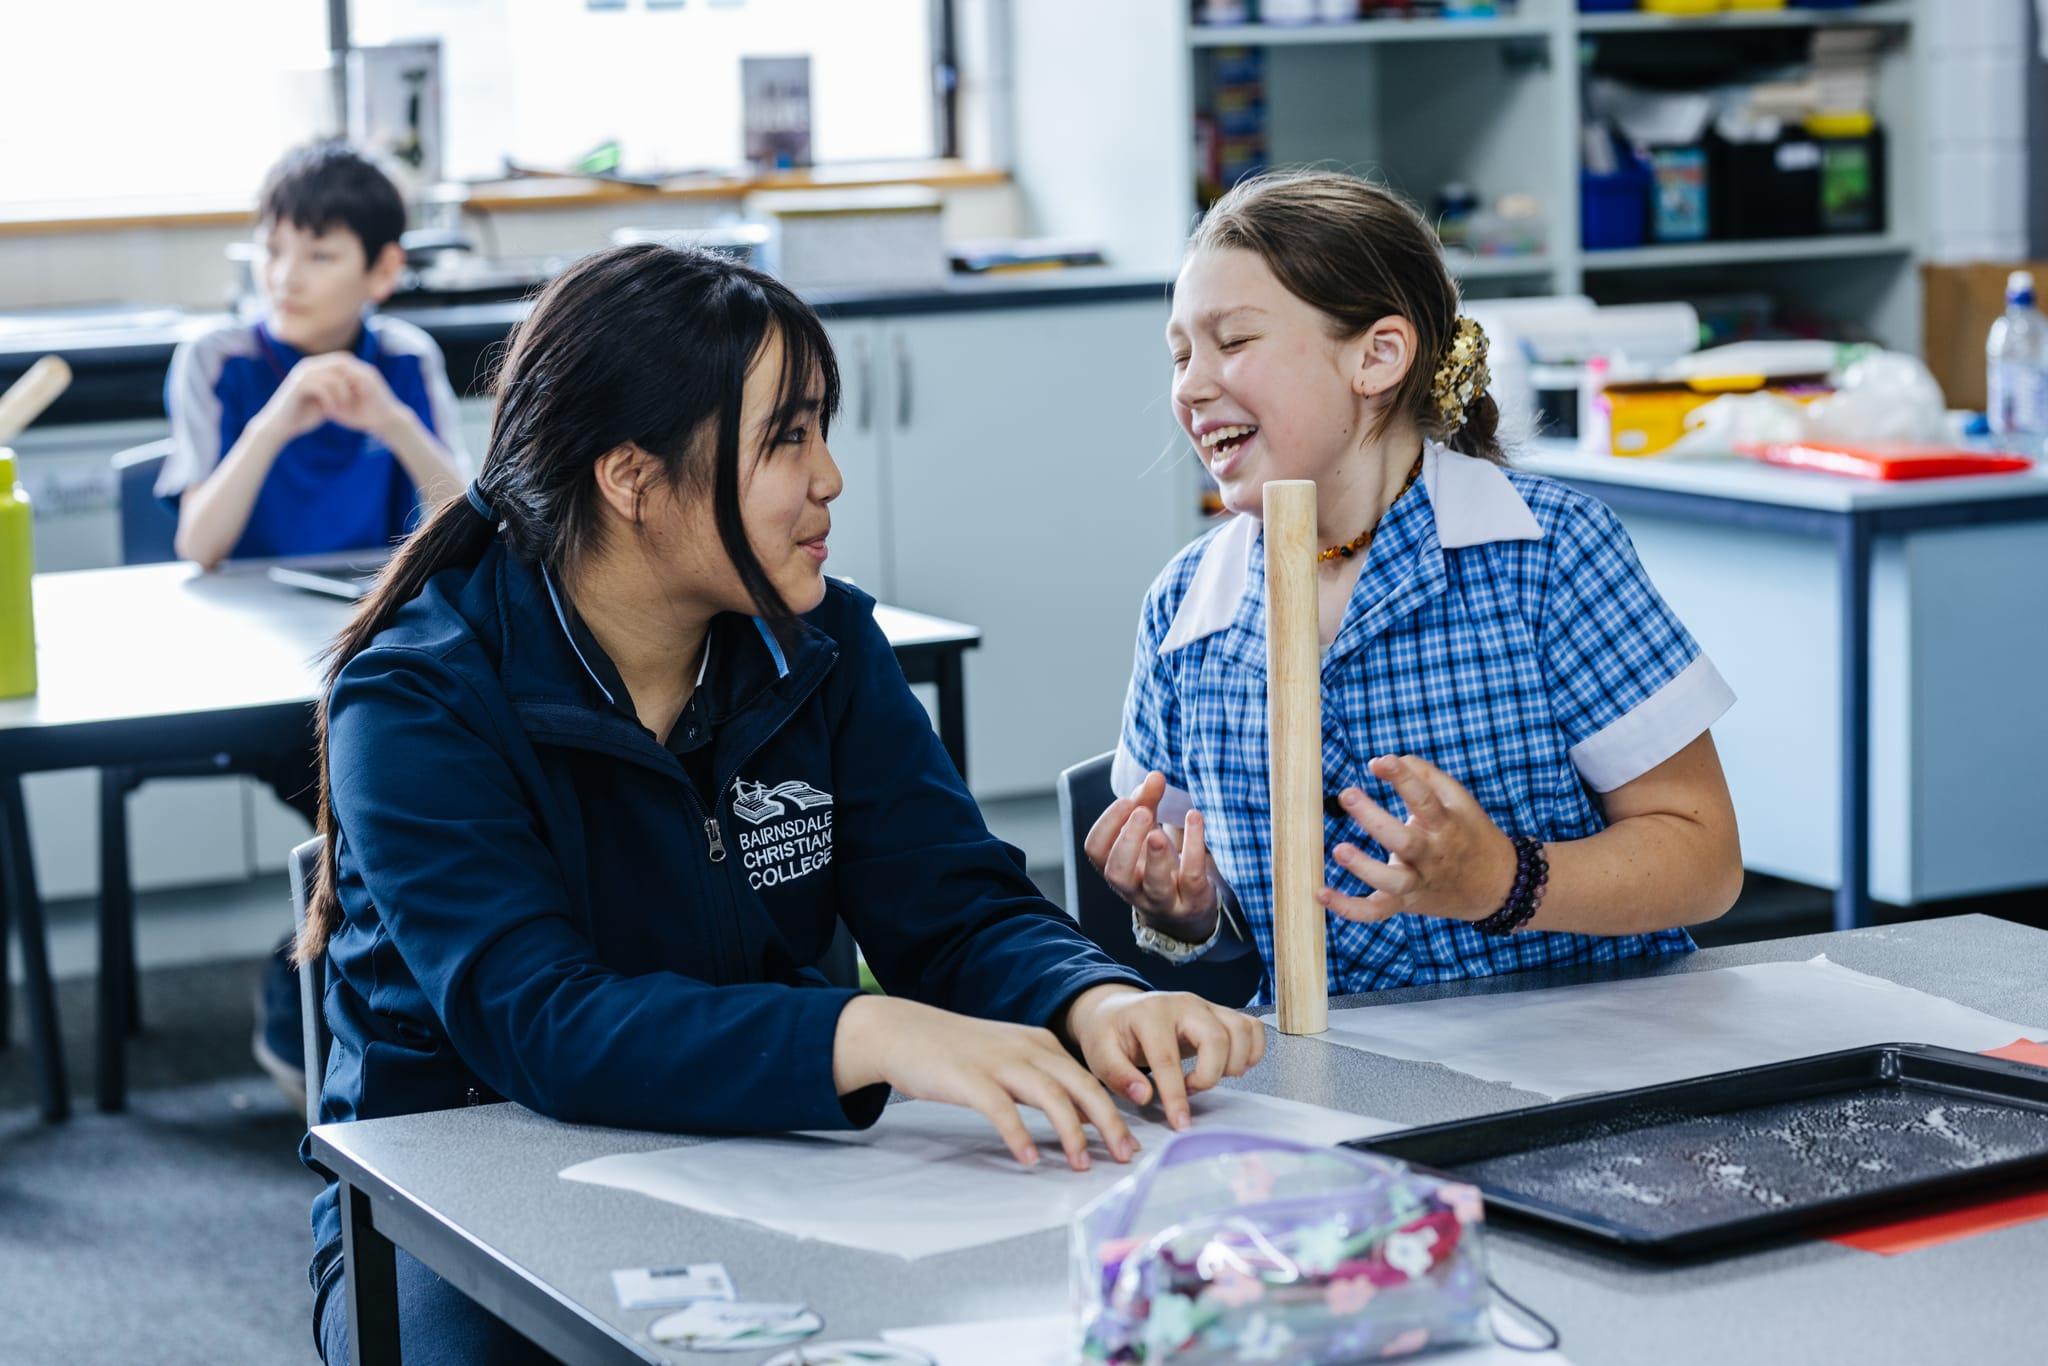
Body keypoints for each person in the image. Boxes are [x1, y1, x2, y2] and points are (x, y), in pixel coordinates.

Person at [299, 243, 1265, 1363]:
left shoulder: (823, 645)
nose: (829, 478)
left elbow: (952, 906)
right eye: (784, 439)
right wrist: (870, 1028)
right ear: (631, 478)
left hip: (771, 1154)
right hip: (455, 1203)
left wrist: (1091, 999)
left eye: (822, 432)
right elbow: (541, 1022)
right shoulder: (418, 696)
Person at [1090, 170, 1744, 999]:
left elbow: (1705, 859)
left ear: (1377, 356)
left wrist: (1504, 880)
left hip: (1592, 1050)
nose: (1189, 385)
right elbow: (1207, 912)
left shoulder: (1546, 555)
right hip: (1334, 1067)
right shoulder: (1186, 610)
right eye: (1181, 354)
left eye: (1233, 342)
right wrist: (1183, 909)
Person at [160, 140, 470, 1107]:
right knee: (381, 810)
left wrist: (389, 420)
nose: (286, 277)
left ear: (384, 270)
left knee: (419, 768)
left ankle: (332, 990)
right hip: (246, 663)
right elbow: (199, 542)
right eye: (273, 249)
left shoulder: (406, 359)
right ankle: (311, 982)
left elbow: (467, 530)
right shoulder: (218, 359)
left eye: (319, 254)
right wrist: (274, 422)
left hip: (367, 651)